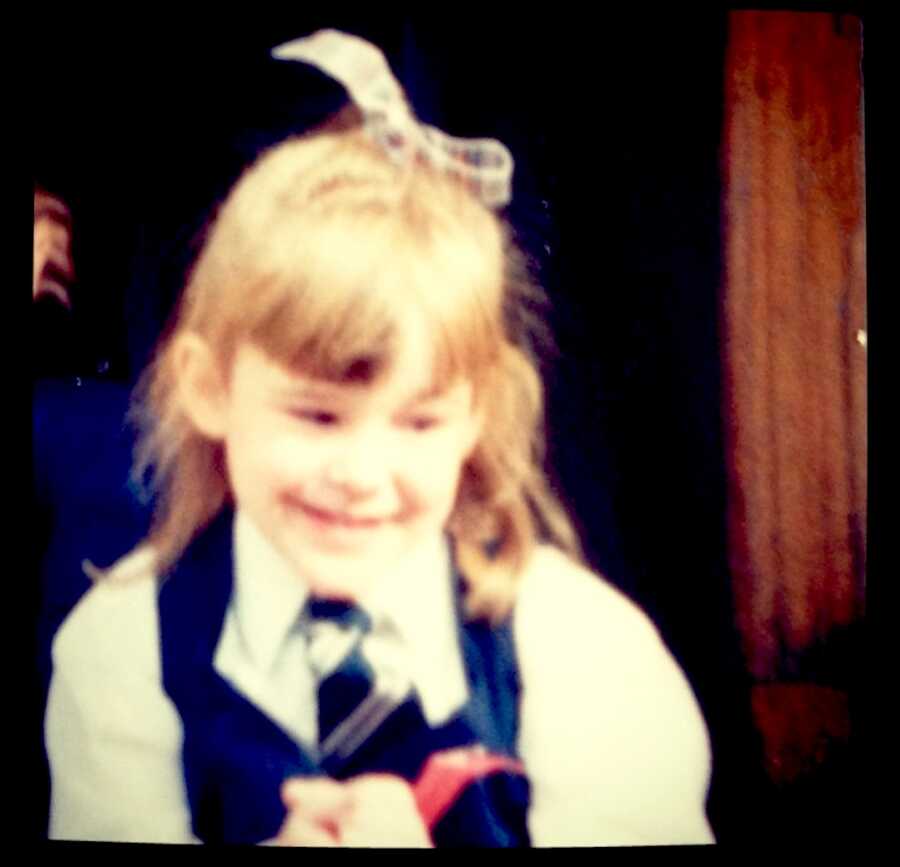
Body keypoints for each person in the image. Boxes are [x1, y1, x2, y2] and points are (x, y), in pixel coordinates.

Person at [45, 30, 714, 847]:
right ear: (209, 388)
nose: (363, 473)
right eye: (317, 415)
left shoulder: (579, 649)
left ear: (477, 415)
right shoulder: (122, 650)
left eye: (420, 421)